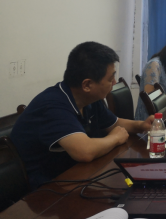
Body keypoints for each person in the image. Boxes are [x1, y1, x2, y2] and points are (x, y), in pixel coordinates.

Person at [10, 42, 154, 190]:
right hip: (42, 191)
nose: (114, 82)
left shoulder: (89, 99)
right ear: (87, 85)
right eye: (110, 79)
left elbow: (114, 123)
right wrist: (116, 138)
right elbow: (84, 151)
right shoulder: (53, 105)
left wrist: (141, 125)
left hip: (74, 177)